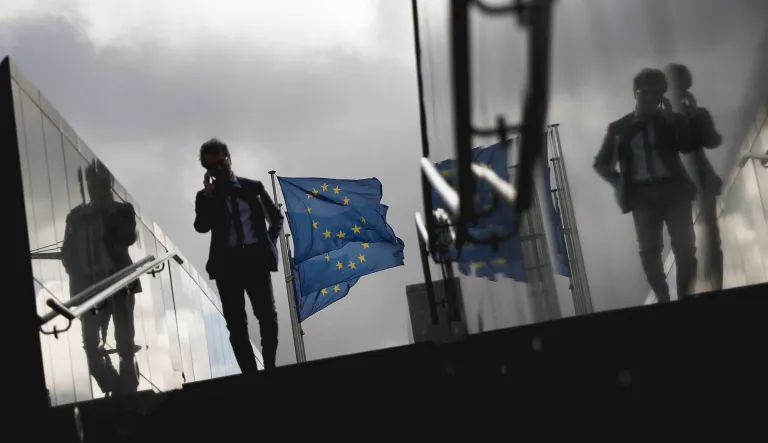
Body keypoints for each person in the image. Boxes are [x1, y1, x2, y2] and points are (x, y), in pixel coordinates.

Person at [593, 68, 699, 303]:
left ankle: (685, 296)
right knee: (650, 252)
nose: (650, 98)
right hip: (642, 196)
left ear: (662, 96)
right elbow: (601, 163)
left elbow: (687, 146)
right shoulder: (619, 128)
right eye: (645, 93)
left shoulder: (669, 121)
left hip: (674, 191)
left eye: (656, 94)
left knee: (685, 249)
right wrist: (620, 182)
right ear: (635, 93)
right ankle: (663, 298)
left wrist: (674, 121)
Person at [194, 138, 283, 372]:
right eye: (211, 167)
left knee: (266, 315)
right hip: (227, 263)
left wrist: (268, 244)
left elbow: (276, 218)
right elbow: (201, 226)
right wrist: (210, 196)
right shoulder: (206, 196)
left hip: (255, 258)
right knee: (235, 323)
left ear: (229, 159)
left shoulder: (252, 188)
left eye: (220, 163)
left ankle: (270, 367)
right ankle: (249, 374)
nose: (217, 169)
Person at [61, 159, 141, 396]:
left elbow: (128, 238)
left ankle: (129, 391)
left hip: (119, 281)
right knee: (91, 344)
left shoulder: (123, 209)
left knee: (125, 341)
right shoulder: (76, 216)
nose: (95, 188)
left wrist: (109, 212)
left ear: (109, 184)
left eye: (100, 184)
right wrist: (76, 275)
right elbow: (68, 250)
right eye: (91, 183)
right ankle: (115, 388)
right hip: (89, 286)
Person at [665, 62, 724, 291]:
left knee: (705, 237)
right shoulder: (666, 116)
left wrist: (696, 117)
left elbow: (712, 141)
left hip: (698, 181)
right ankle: (695, 289)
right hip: (683, 184)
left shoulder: (693, 112)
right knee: (688, 243)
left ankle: (713, 282)